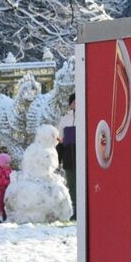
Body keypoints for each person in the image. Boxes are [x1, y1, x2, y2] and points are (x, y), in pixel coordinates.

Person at [57, 92, 77, 220]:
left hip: (82, 155)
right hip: (69, 156)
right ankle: (75, 211)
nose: (76, 104)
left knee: (83, 184)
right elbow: (59, 138)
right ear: (70, 104)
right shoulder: (64, 119)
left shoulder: (86, 116)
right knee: (72, 184)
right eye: (74, 102)